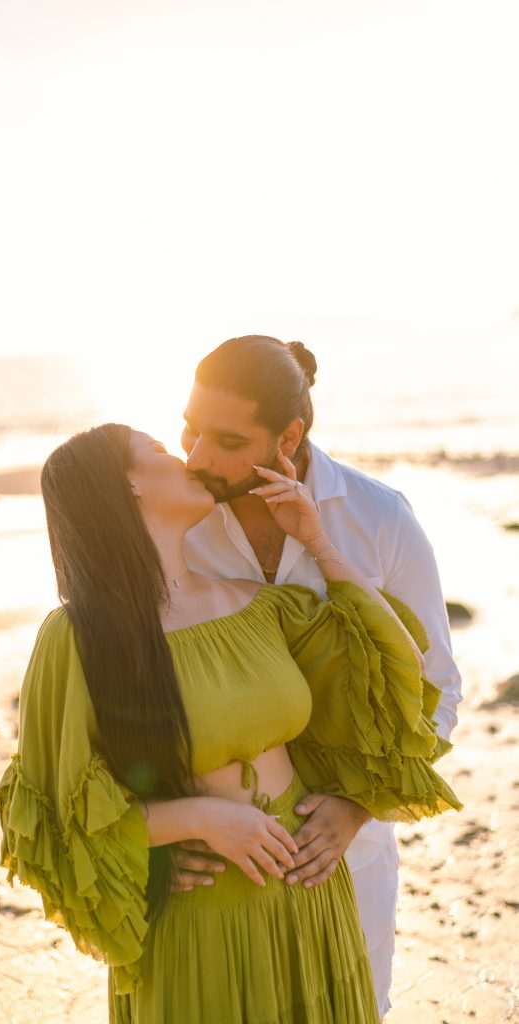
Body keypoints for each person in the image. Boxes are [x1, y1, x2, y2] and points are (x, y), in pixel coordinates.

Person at [0, 422, 460, 1023]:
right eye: (160, 450)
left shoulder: (262, 606)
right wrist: (193, 820)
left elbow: (401, 674)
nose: (187, 456)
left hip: (311, 894)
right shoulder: (78, 638)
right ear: (130, 484)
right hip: (201, 916)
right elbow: (52, 820)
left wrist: (317, 540)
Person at [178, 334, 463, 1018]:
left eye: (225, 439)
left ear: (290, 435)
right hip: (222, 866)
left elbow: (439, 692)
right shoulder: (178, 524)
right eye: (188, 429)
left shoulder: (378, 518)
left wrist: (357, 807)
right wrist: (170, 830)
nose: (195, 458)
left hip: (348, 855)